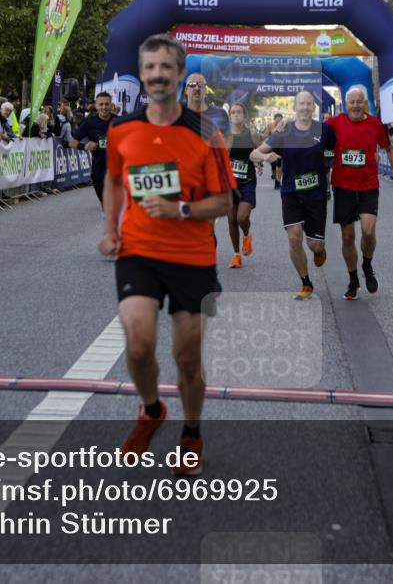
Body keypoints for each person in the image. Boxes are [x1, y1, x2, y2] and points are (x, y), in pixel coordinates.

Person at [99, 34, 235, 476]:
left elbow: (224, 202)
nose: (158, 75)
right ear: (142, 74)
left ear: (179, 75)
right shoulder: (122, 130)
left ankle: (191, 431)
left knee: (187, 358)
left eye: (166, 68)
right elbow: (114, 181)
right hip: (139, 251)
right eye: (150, 67)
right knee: (139, 344)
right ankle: (152, 409)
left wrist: (181, 210)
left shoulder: (206, 134)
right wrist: (110, 229)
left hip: (192, 257)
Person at [250, 90, 333, 300]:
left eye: (308, 104)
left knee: (314, 244)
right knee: (294, 237)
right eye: (301, 104)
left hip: (316, 194)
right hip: (291, 193)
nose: (304, 107)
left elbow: (336, 150)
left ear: (313, 107)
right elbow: (254, 153)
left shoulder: (324, 130)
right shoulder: (284, 131)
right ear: (295, 107)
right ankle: (306, 283)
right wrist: (267, 157)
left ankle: (319, 249)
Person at [326, 85, 393, 300]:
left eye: (359, 102)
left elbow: (389, 148)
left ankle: (367, 265)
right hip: (343, 187)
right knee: (347, 237)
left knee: (368, 232)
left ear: (365, 103)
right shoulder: (334, 123)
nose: (355, 105)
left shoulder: (375, 124)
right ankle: (353, 279)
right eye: (352, 102)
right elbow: (314, 137)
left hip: (368, 185)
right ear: (345, 104)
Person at [225, 102, 260, 268]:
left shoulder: (251, 133)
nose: (236, 114)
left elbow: (259, 150)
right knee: (232, 220)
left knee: (241, 217)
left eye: (239, 112)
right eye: (233, 112)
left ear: (244, 116)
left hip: (247, 181)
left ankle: (247, 234)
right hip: (230, 183)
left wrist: (259, 162)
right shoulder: (226, 136)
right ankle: (236, 255)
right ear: (230, 116)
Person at [74, 91, 115, 204]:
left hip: (118, 171)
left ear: (111, 105)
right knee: (106, 205)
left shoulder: (120, 121)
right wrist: (84, 146)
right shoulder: (89, 123)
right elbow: (71, 142)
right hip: (99, 172)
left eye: (107, 104)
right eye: (101, 104)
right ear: (96, 106)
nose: (104, 107)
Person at [183, 73, 229, 137]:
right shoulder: (177, 114)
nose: (197, 88)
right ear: (186, 90)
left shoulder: (220, 113)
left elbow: (228, 136)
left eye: (201, 85)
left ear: (205, 91)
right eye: (192, 85)